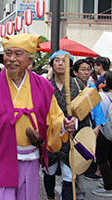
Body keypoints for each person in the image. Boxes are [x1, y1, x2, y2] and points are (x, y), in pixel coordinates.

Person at [0, 34, 76, 200]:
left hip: (30, 158)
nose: (11, 59)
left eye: (18, 54)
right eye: (8, 53)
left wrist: (64, 124)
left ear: (29, 59)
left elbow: (54, 117)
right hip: (0, 158)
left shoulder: (42, 86)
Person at [45, 50, 93, 200]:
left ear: (70, 66)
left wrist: (75, 123)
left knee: (68, 176)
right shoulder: (45, 85)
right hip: (51, 135)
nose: (60, 63)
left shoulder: (78, 85)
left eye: (64, 61)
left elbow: (85, 112)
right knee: (49, 172)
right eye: (57, 60)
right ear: (52, 64)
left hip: (71, 136)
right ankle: (50, 196)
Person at [73, 59, 107, 181]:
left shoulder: (92, 87)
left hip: (89, 125)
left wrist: (97, 127)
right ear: (75, 72)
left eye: (89, 69)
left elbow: (97, 109)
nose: (87, 72)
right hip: (74, 126)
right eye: (83, 69)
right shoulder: (71, 87)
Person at [92, 71, 112, 197]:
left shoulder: (102, 97)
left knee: (102, 159)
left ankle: (108, 186)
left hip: (104, 132)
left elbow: (98, 115)